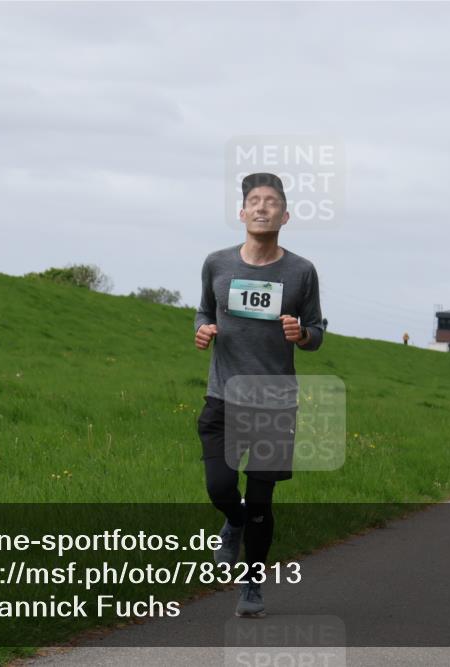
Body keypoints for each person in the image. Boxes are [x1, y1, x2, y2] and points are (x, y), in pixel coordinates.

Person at [194, 172, 325, 617]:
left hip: (274, 403)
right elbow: (202, 310)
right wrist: (202, 330)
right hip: (223, 397)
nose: (262, 207)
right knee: (221, 487)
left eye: (272, 202)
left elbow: (318, 331)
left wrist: (302, 333)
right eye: (254, 200)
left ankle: (251, 586)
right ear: (242, 212)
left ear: (285, 215)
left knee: (262, 504)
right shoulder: (217, 264)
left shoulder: (301, 271)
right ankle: (232, 519)